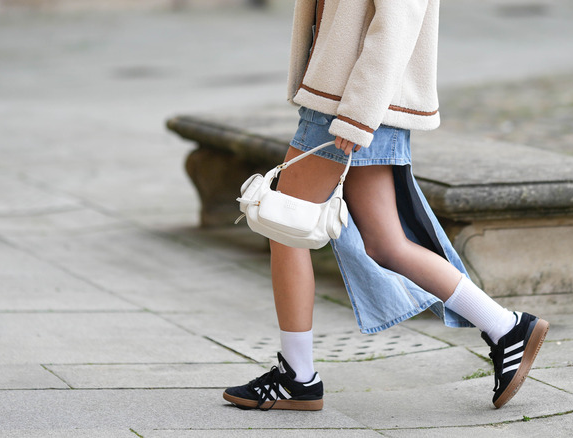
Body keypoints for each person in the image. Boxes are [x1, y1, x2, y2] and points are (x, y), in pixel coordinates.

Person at [223, 0, 548, 411]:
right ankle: (506, 328)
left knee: (285, 226)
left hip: (352, 103)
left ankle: (297, 376)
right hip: (355, 99)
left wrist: (359, 114)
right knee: (385, 243)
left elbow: (399, 18)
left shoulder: (357, 107)